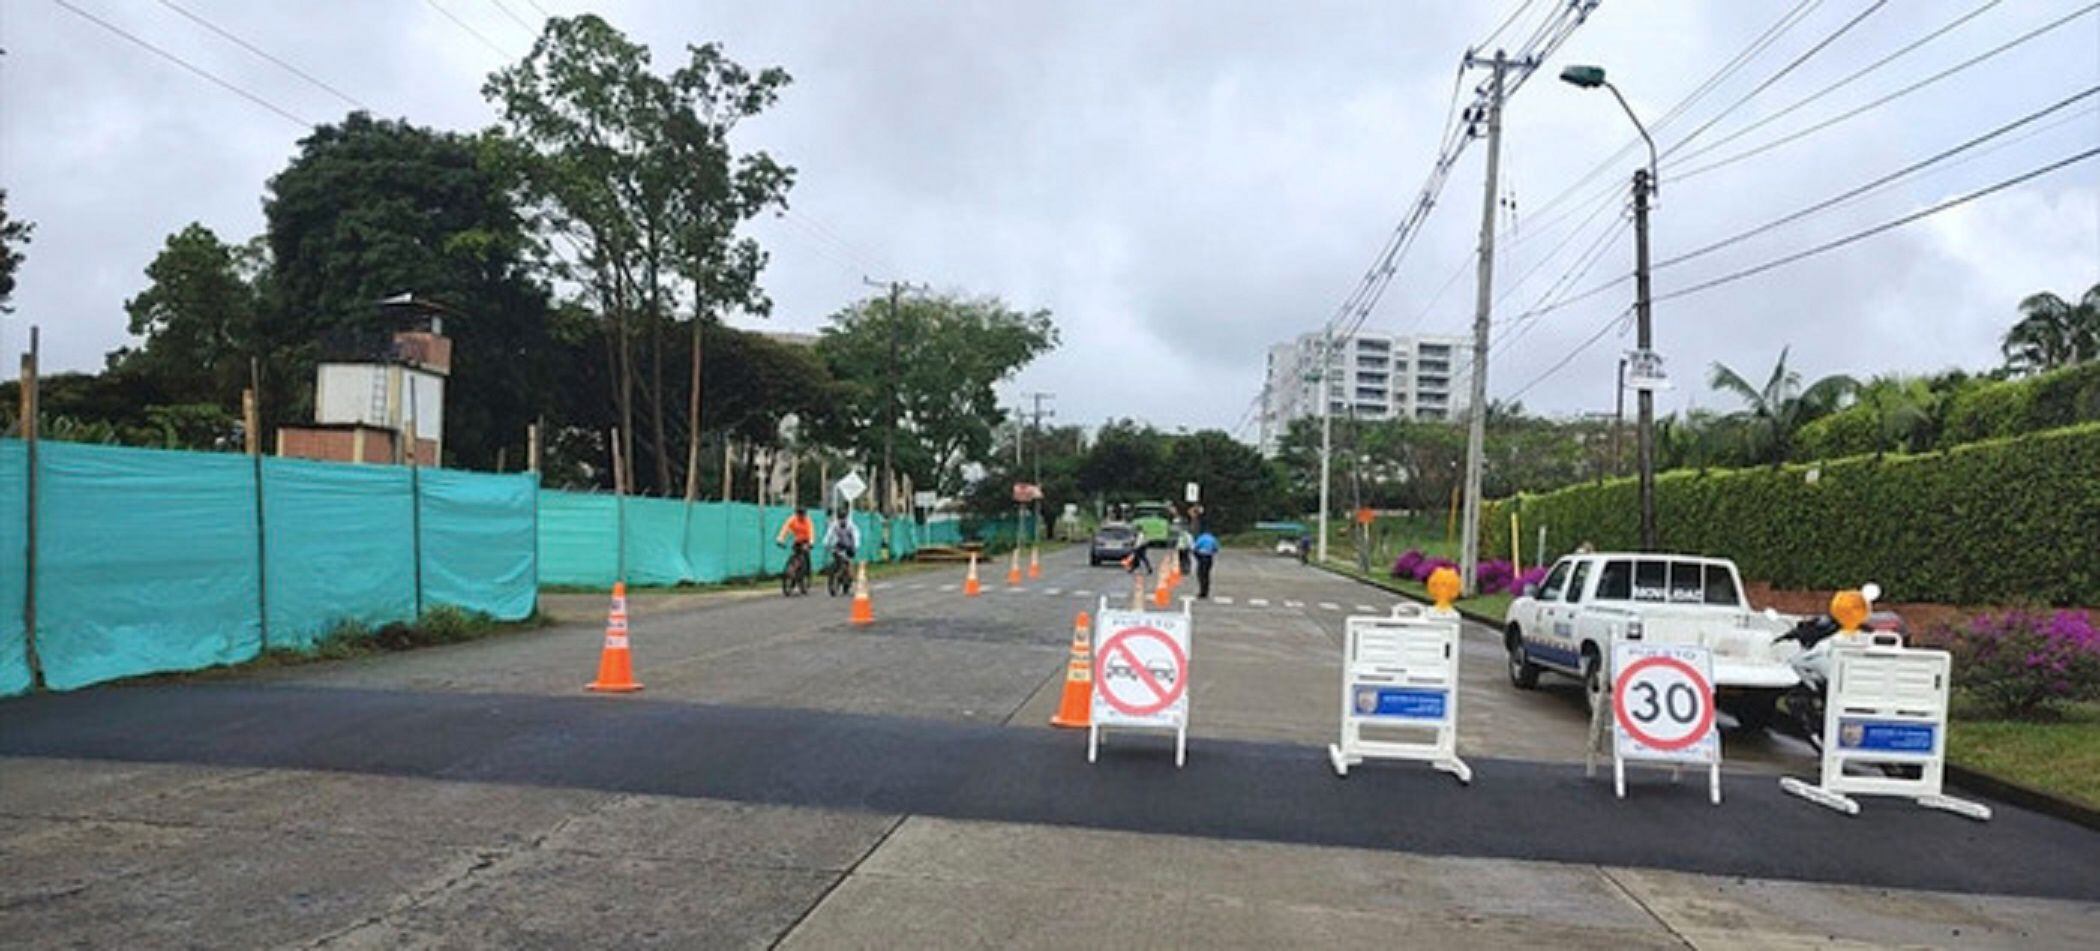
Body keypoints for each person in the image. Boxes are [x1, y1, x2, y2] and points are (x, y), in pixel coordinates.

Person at [774, 506, 815, 578]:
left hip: (806, 540)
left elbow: (811, 532)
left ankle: (807, 574)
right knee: (795, 555)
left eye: (803, 514)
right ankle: (793, 573)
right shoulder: (792, 519)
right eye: (799, 514)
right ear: (796, 514)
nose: (801, 516)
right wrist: (780, 539)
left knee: (806, 556)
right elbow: (785, 529)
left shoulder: (808, 521)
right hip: (797, 540)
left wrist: (811, 543)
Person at [1193, 527, 1220, 599]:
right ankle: (1206, 591)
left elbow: (1195, 547)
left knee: (1200, 575)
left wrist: (1197, 557)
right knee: (1206, 575)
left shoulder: (1201, 538)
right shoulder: (1213, 539)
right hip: (1208, 557)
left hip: (1201, 557)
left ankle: (1202, 591)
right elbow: (1216, 549)